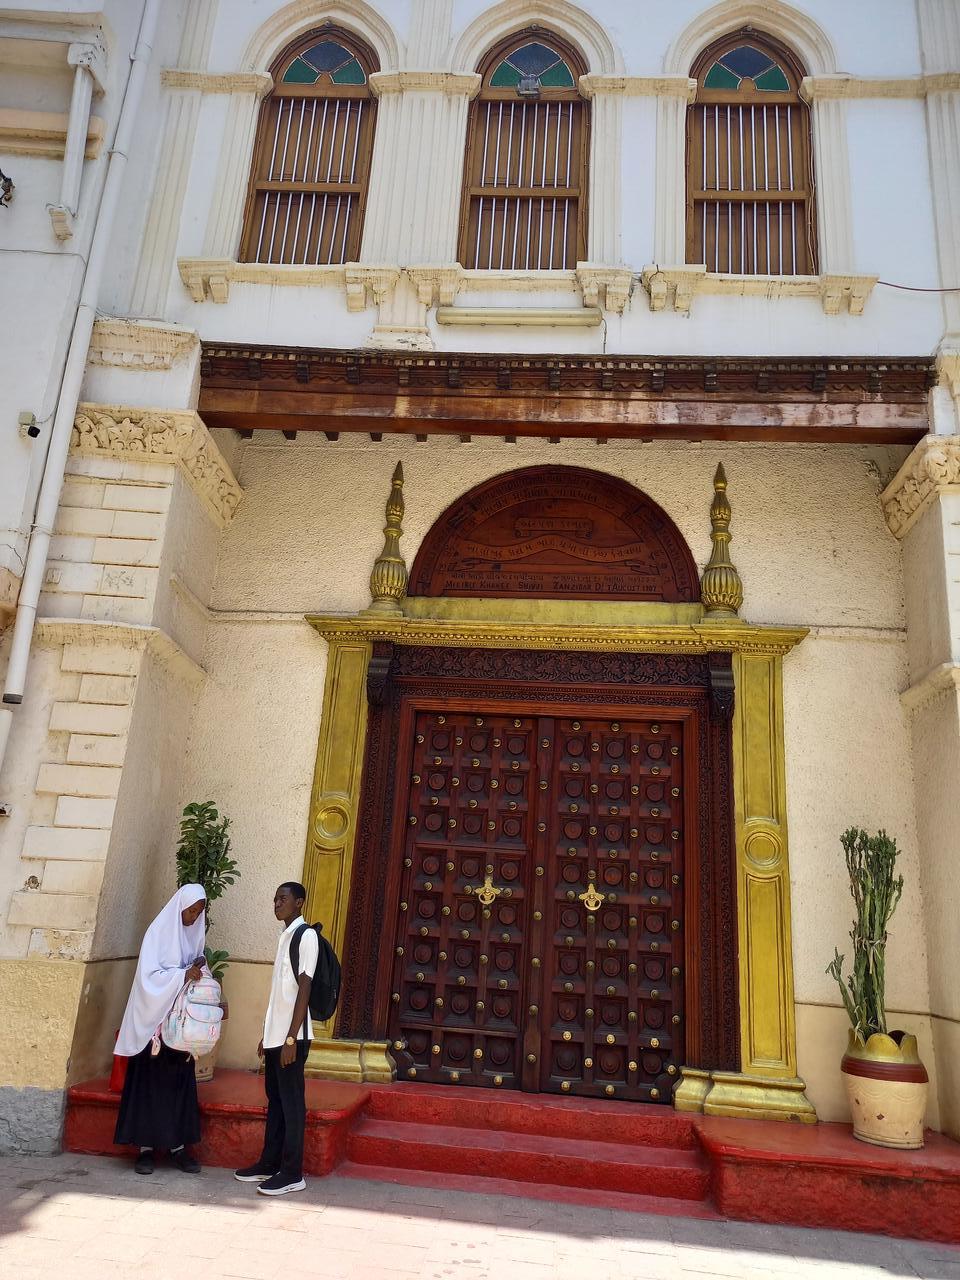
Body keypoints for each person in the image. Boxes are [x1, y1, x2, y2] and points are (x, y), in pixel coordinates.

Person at [114, 884, 208, 1175]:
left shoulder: (194, 937)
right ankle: (145, 1150)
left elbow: (197, 975)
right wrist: (182, 975)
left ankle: (178, 1148)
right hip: (153, 1028)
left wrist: (199, 970)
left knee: (178, 1088)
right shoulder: (157, 933)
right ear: (180, 906)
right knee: (149, 1087)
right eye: (191, 910)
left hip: (180, 1030)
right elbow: (148, 978)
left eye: (199, 912)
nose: (193, 917)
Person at [234, 881, 317, 1196]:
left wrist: (291, 1038)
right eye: (275, 899)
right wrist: (267, 1034)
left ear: (300, 902)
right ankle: (269, 1163)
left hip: (292, 1039)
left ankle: (292, 1173)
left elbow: (304, 988)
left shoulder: (306, 936)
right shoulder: (285, 936)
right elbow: (279, 995)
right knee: (277, 1101)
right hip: (276, 1037)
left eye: (283, 898)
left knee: (292, 1104)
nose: (277, 903)